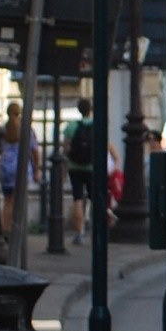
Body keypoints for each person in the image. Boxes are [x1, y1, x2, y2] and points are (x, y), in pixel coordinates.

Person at [64, 98, 102, 239]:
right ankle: (97, 228)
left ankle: (79, 232)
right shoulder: (97, 125)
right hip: (92, 167)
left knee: (78, 198)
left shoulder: (71, 126)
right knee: (95, 198)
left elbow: (66, 148)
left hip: (75, 167)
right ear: (90, 109)